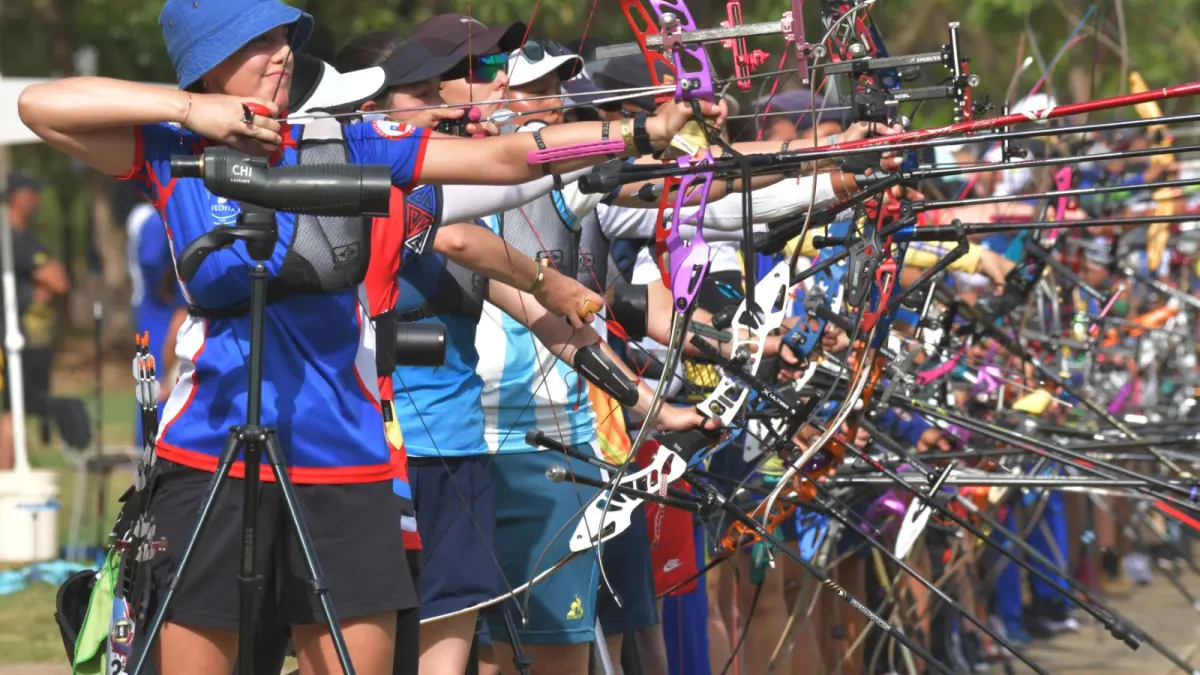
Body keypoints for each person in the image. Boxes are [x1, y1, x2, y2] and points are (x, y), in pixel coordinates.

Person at [16, 0, 715, 672]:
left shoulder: (343, 141)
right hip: (208, 452)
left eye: (283, 38)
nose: (281, 54)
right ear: (208, 61)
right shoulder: (170, 148)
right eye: (257, 43)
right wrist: (190, 110)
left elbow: (507, 158)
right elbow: (39, 106)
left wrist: (641, 133)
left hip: (344, 457)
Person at [0, 171, 69, 471]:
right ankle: (6, 478)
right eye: (33, 193)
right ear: (19, 198)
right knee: (12, 410)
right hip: (14, 337)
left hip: (18, 336)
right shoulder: (14, 238)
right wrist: (41, 284)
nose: (38, 200)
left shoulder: (19, 237)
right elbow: (58, 280)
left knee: (13, 409)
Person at [126, 192, 187, 447]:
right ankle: (152, 445)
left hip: (153, 305)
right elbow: (151, 260)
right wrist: (163, 288)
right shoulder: (154, 218)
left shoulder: (143, 216)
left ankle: (153, 442)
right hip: (158, 307)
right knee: (158, 377)